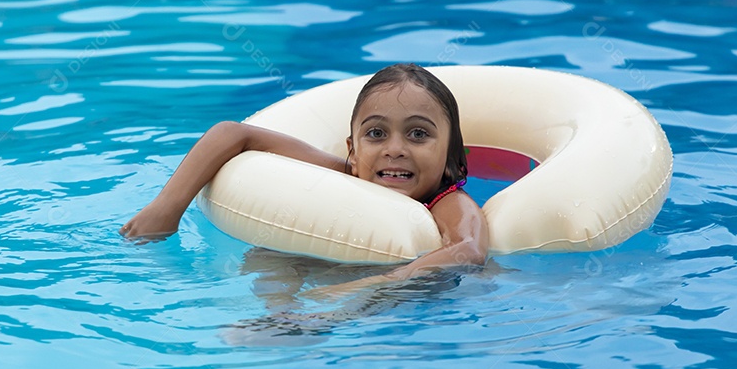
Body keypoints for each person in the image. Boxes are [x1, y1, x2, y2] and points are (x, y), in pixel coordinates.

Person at [119, 63, 489, 297]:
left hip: (401, 298)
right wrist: (166, 209)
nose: (395, 149)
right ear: (353, 150)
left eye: (418, 135)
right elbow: (234, 133)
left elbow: (468, 251)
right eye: (376, 134)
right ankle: (279, 318)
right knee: (272, 250)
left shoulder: (449, 203)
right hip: (327, 276)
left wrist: (361, 289)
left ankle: (318, 325)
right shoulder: (345, 173)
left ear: (452, 159)